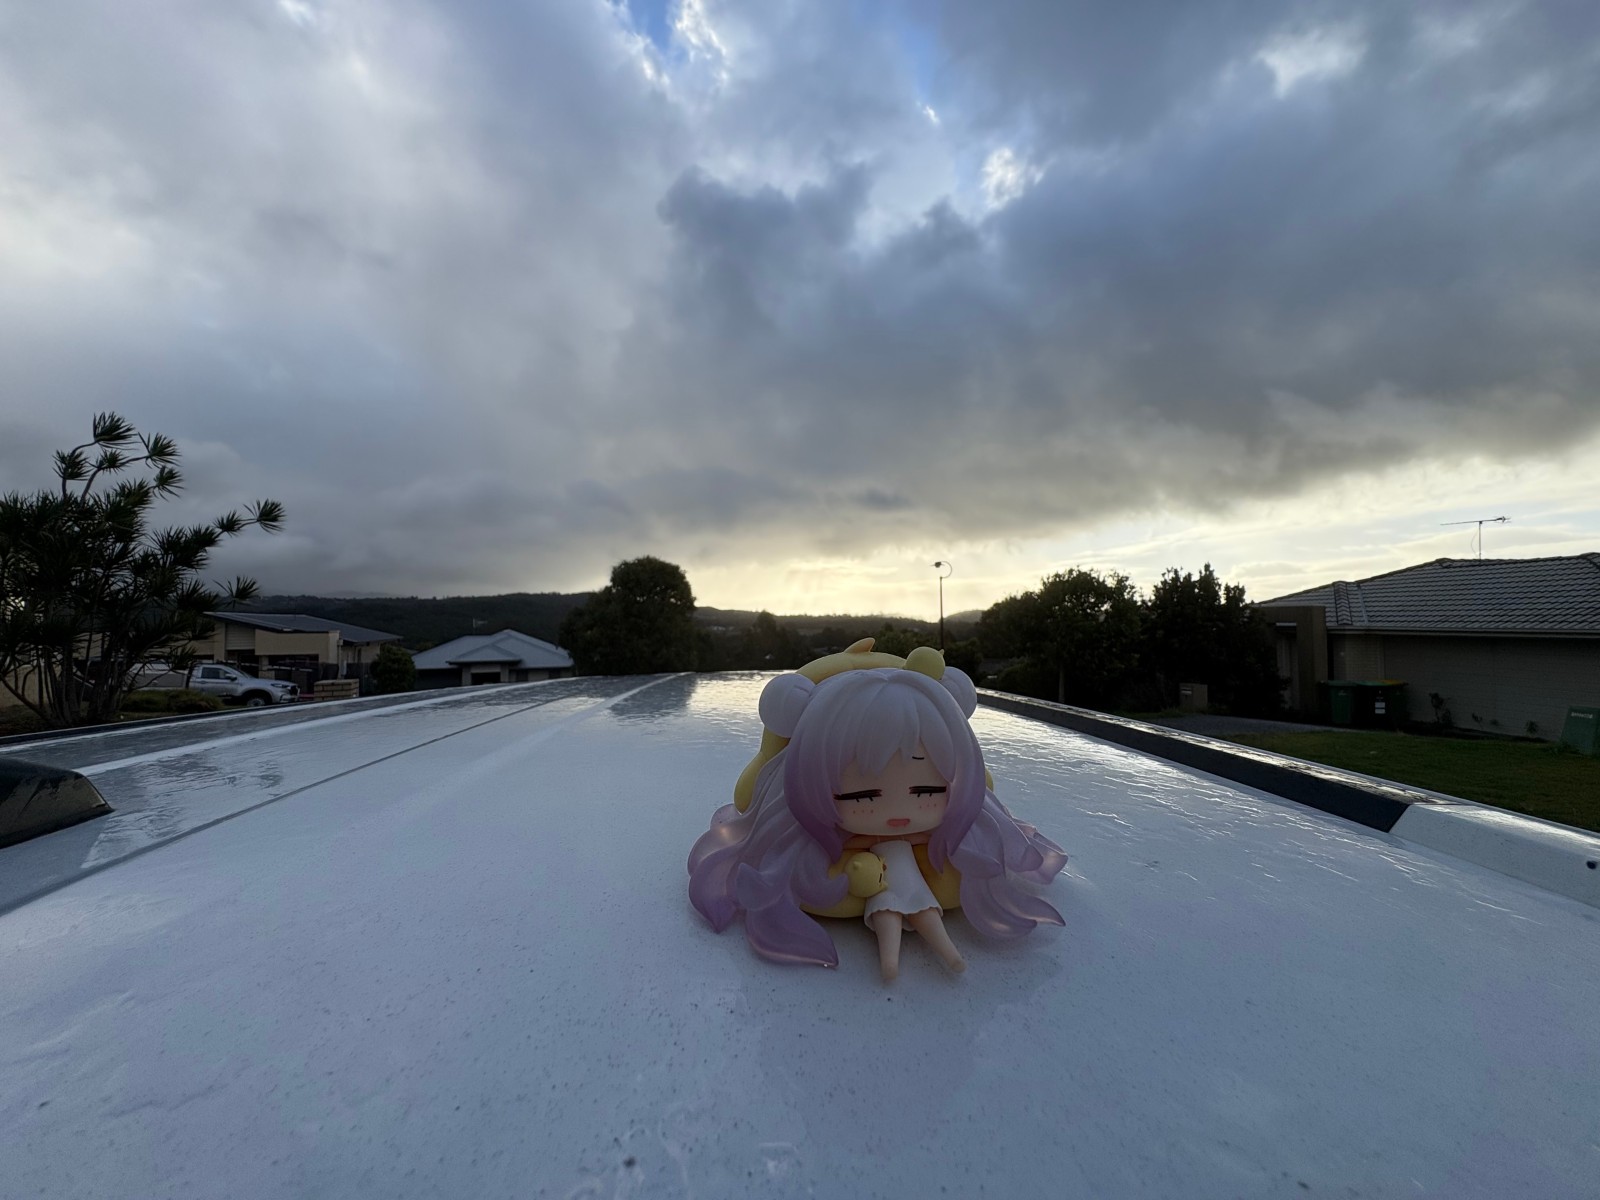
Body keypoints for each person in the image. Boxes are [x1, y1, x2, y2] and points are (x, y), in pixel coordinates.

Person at [688, 646, 1067, 979]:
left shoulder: (964, 839)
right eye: (863, 795)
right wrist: (858, 875)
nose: (898, 814)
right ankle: (897, 961)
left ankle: (944, 956)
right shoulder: (800, 845)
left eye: (927, 791)